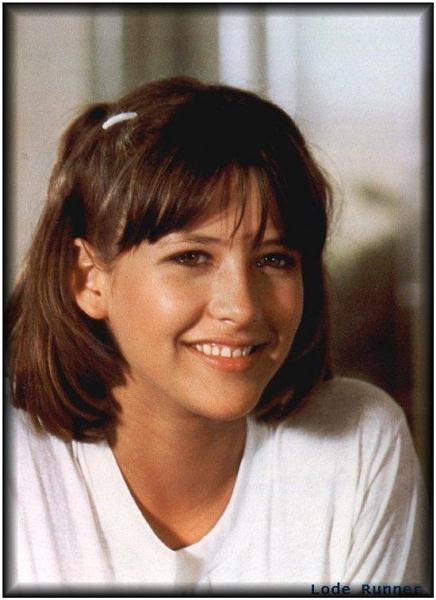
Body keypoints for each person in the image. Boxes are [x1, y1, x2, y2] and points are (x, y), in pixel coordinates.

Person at [6, 77, 428, 593]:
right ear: (89, 280)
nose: (242, 307)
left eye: (274, 260)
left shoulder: (358, 443)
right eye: (191, 257)